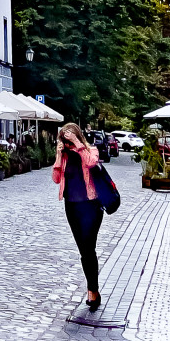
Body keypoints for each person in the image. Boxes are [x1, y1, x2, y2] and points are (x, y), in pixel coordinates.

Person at [52, 123, 104, 310]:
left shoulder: (91, 150)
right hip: (72, 207)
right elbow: (56, 178)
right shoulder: (65, 156)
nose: (66, 144)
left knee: (89, 247)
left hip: (91, 206)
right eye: (64, 141)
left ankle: (93, 290)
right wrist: (59, 155)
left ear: (76, 136)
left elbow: (90, 162)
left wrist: (77, 143)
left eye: (68, 140)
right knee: (84, 250)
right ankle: (93, 290)